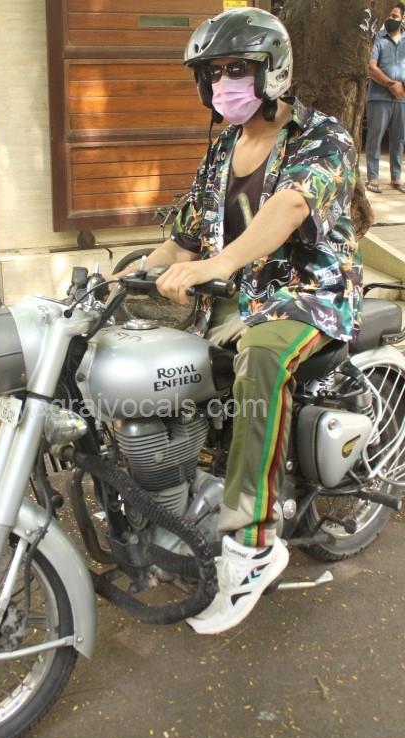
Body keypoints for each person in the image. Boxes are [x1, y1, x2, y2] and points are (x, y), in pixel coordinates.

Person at [124, 9, 362, 634]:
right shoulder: (223, 148)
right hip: (232, 298)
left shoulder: (323, 138)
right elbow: (183, 238)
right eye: (213, 73)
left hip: (305, 297)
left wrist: (219, 263)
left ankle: (253, 546)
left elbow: (289, 207)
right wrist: (125, 277)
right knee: (152, 361)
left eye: (237, 69)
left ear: (272, 71)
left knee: (261, 357)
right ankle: (171, 495)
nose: (223, 83)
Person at [365, 3, 405, 193]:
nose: (391, 19)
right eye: (389, 15)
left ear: (403, 18)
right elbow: (371, 68)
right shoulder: (378, 39)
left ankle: (396, 178)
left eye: (395, 16)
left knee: (399, 139)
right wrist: (391, 84)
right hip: (378, 97)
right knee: (375, 138)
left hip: (402, 99)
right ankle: (373, 178)